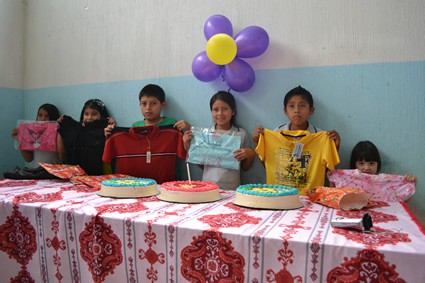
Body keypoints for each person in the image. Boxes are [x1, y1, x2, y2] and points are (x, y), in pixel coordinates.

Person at [183, 91, 256, 190]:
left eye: (225, 109)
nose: (220, 113)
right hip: (208, 187)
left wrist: (250, 154)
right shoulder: (205, 135)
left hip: (232, 189)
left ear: (233, 111)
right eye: (215, 110)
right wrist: (189, 146)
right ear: (211, 112)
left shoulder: (240, 134)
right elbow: (202, 165)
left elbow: (245, 167)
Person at [252, 85, 341, 149]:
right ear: (285, 111)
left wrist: (335, 146)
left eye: (302, 106)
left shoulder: (320, 136)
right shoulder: (277, 133)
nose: (296, 110)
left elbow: (326, 169)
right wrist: (257, 142)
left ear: (311, 110)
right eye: (291, 106)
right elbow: (269, 163)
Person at [104, 84, 190, 136]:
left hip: (166, 166)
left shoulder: (172, 124)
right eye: (144, 104)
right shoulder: (135, 126)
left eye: (153, 103)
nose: (148, 108)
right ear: (140, 105)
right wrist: (111, 133)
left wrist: (188, 128)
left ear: (163, 105)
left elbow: (186, 146)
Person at [58, 99, 114, 175]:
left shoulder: (106, 130)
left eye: (94, 114)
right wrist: (63, 124)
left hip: (98, 176)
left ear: (102, 115)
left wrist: (109, 129)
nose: (89, 117)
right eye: (86, 114)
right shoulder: (77, 130)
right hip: (77, 177)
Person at [350, 140, 416, 183]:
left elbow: (401, 200)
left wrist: (409, 183)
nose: (367, 168)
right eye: (361, 163)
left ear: (378, 163)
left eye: (371, 163)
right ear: (354, 164)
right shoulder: (349, 181)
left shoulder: (385, 182)